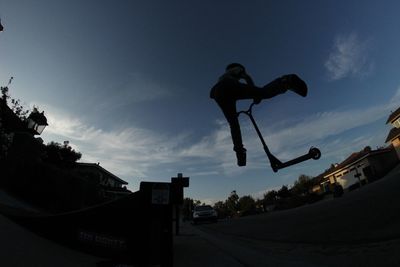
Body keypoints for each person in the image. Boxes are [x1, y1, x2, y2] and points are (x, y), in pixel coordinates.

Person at [210, 63, 308, 167]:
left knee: (233, 124)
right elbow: (247, 78)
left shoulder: (223, 76)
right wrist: (256, 96)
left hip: (218, 93)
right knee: (263, 92)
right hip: (228, 86)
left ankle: (240, 152)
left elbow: (228, 91)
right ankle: (285, 81)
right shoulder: (237, 69)